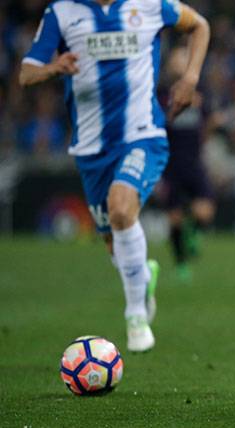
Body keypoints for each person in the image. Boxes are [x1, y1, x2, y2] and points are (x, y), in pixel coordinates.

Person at [19, 0, 210, 352]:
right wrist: (54, 68)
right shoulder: (61, 12)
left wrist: (190, 77)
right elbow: (26, 73)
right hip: (91, 147)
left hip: (142, 135)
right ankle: (143, 276)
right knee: (113, 242)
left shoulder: (149, 5)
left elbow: (199, 25)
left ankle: (135, 315)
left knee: (121, 208)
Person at [158, 47, 215, 282]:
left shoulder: (201, 93)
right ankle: (181, 264)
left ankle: (194, 234)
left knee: (205, 211)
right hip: (171, 164)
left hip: (194, 161)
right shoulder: (162, 95)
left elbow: (209, 121)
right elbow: (158, 124)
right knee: (175, 218)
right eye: (178, 58)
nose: (181, 62)